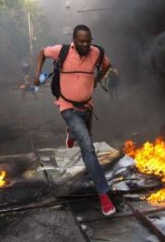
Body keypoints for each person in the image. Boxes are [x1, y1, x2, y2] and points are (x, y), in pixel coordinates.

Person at [33, 24, 115, 216]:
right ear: (74, 40)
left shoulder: (96, 53)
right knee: (88, 147)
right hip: (67, 107)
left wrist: (96, 80)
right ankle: (104, 194)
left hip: (87, 107)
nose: (86, 45)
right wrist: (37, 75)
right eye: (82, 41)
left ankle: (71, 132)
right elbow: (41, 53)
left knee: (83, 135)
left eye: (88, 41)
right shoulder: (61, 51)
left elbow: (107, 65)